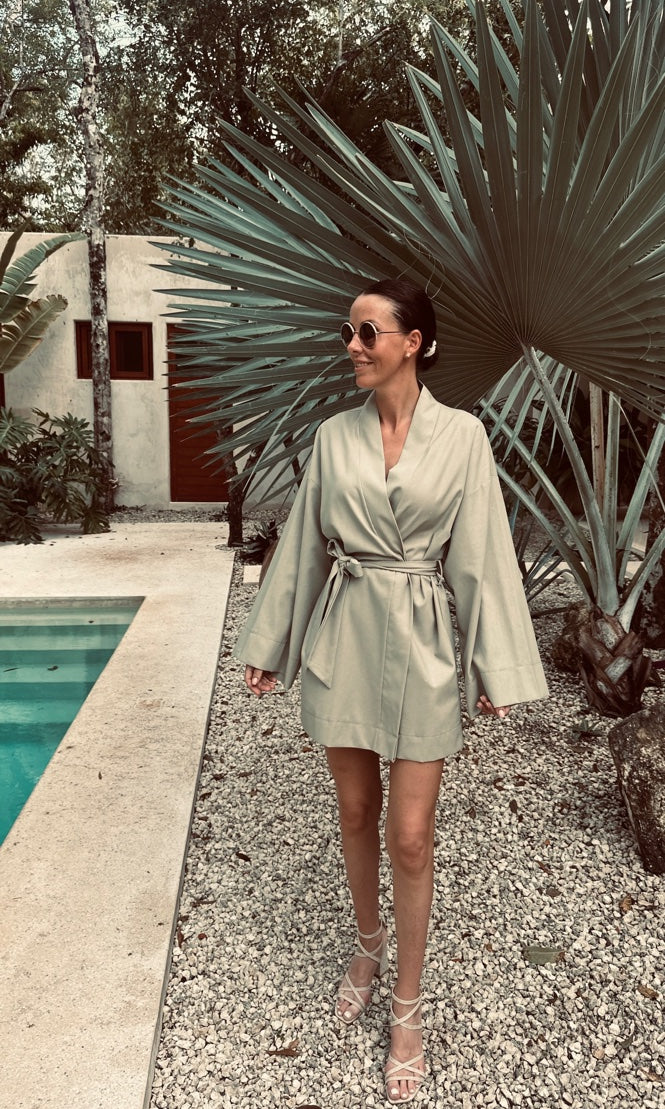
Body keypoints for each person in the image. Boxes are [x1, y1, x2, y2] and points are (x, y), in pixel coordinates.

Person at [234, 278, 548, 1104]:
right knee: (353, 811)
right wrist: (271, 644)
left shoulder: (463, 437)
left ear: (414, 342)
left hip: (421, 643)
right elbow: (304, 545)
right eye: (348, 331)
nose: (352, 345)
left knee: (410, 835)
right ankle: (366, 942)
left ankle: (407, 1004)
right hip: (345, 631)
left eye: (368, 332)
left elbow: (481, 552)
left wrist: (494, 665)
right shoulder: (332, 436)